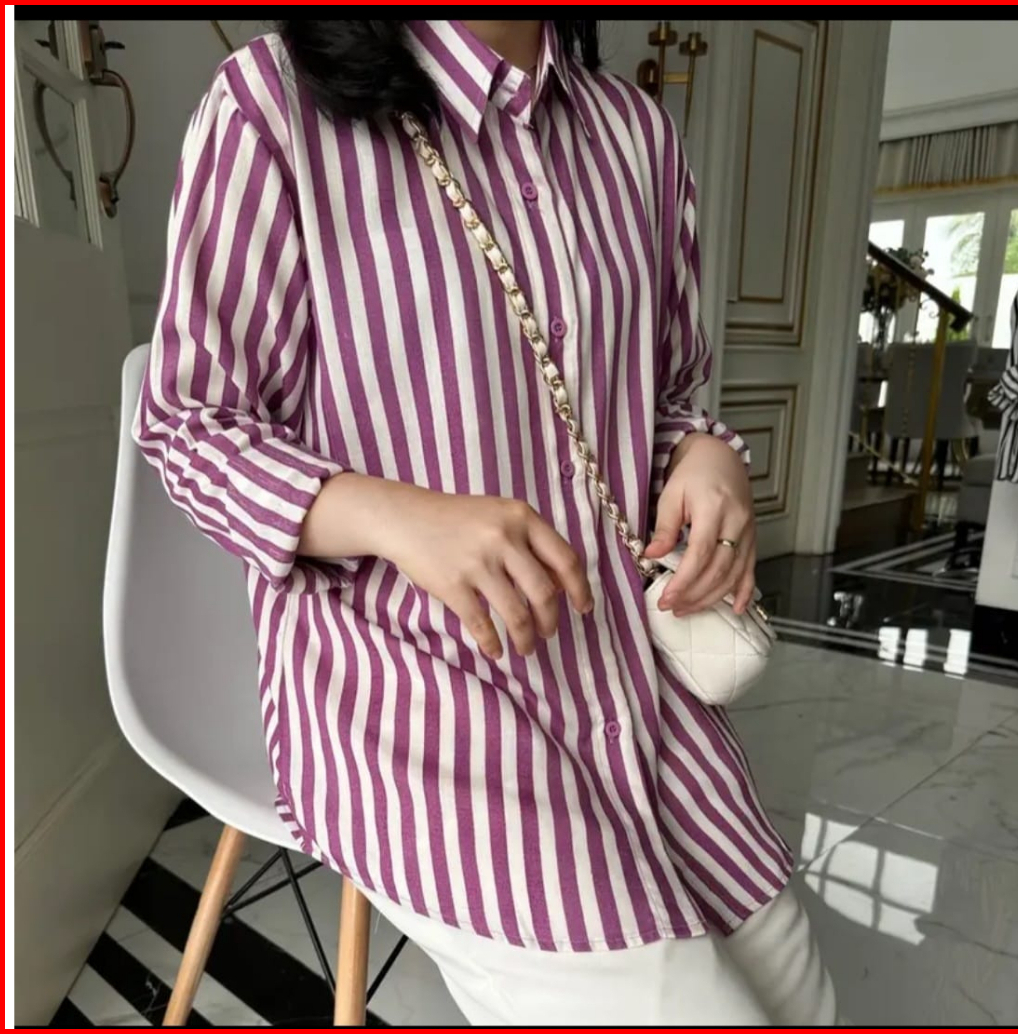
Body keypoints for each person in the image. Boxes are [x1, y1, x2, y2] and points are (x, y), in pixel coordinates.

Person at [136, 19, 835, 1025]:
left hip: (627, 673)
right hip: (410, 690)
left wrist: (706, 455)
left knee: (801, 996)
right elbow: (188, 426)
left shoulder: (636, 136)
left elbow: (668, 395)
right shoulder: (270, 106)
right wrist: (393, 515)